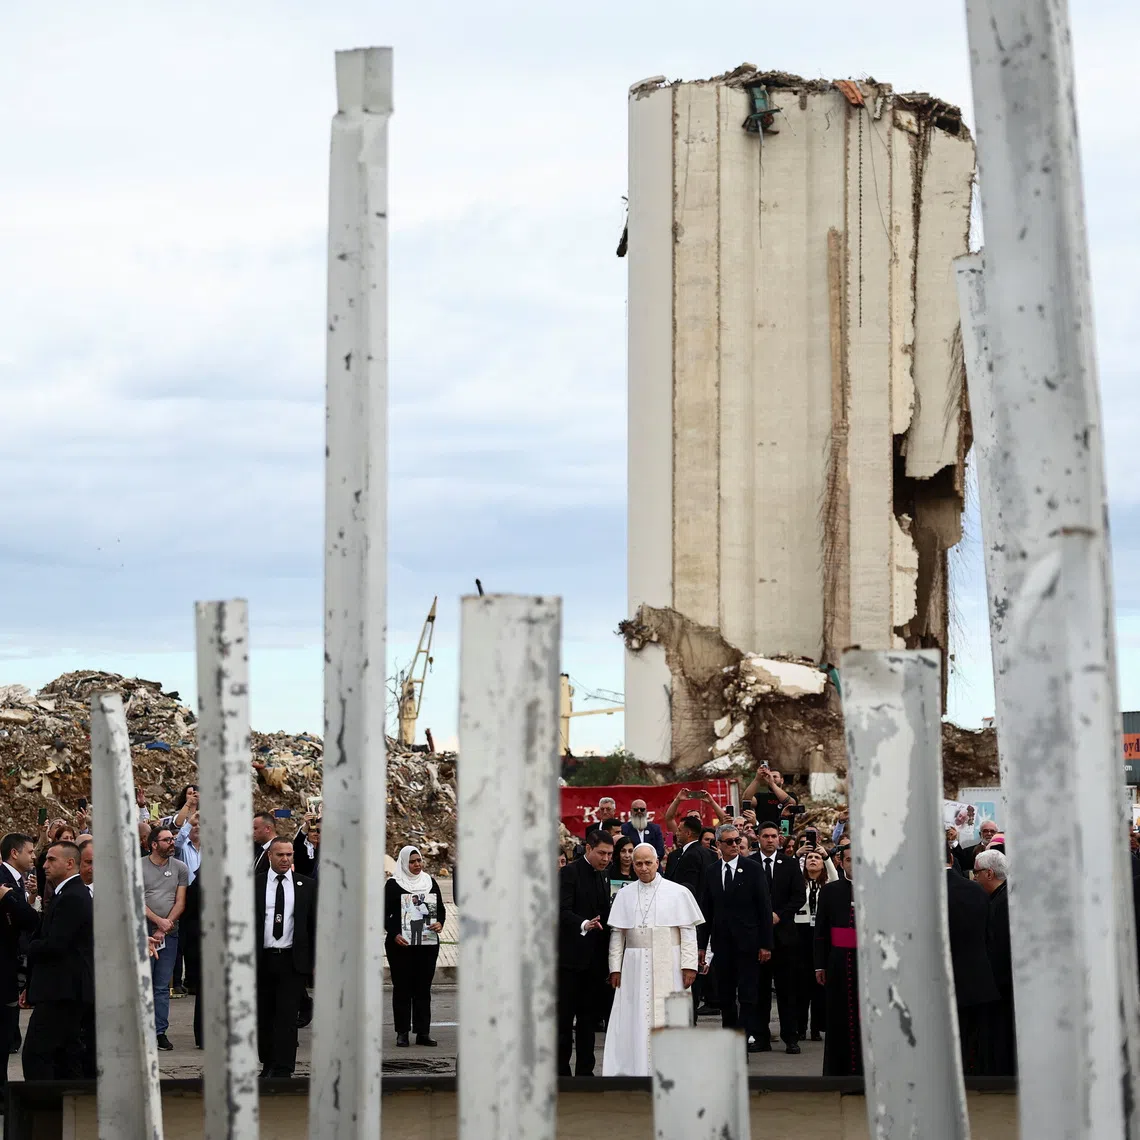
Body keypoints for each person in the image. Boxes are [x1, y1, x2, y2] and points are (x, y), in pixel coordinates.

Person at [602, 844, 704, 1075]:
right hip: (634, 966)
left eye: (648, 862)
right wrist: (614, 968)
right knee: (634, 1016)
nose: (644, 868)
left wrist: (689, 966)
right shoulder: (624, 895)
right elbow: (618, 934)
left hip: (670, 962)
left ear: (658, 862)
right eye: (638, 863)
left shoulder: (678, 892)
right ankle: (634, 1069)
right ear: (632, 864)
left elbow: (688, 931)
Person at [21, 841, 94, 1079]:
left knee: (37, 1054)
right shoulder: (66, 893)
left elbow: (56, 944)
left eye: (52, 859)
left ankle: (43, 1111)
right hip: (61, 989)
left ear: (70, 863)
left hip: (62, 991)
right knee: (66, 1055)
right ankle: (71, 1108)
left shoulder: (72, 896)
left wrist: (28, 946)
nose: (44, 865)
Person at [703, 824, 774, 1055]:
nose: (735, 845)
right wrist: (701, 946)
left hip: (749, 943)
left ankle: (743, 1040)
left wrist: (766, 944)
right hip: (722, 944)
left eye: (737, 841)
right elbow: (706, 911)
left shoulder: (753, 869)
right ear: (718, 845)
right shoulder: (711, 871)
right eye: (729, 842)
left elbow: (764, 908)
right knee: (725, 995)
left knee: (747, 994)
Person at [255, 836, 317, 1078]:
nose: (285, 859)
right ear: (270, 855)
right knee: (264, 1014)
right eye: (280, 854)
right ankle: (267, 1063)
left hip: (292, 960)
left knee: (287, 1017)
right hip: (262, 959)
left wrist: (314, 962)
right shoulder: (255, 885)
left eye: (289, 855)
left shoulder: (306, 886)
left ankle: (284, 1068)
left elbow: (313, 926)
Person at [557, 829, 614, 1076]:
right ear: (588, 849)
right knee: (564, 1020)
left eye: (610, 854)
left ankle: (585, 1071)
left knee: (588, 1021)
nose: (606, 858)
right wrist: (584, 924)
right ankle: (560, 1071)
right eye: (601, 853)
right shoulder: (569, 873)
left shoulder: (604, 876)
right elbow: (561, 910)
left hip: (594, 963)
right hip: (569, 962)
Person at [751, 821, 806, 1054]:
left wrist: (779, 915)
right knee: (760, 992)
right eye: (766, 836)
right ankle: (761, 1037)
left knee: (787, 991)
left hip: (785, 938)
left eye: (774, 836)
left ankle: (790, 1038)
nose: (770, 840)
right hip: (758, 938)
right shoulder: (749, 864)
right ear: (758, 838)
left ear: (779, 838)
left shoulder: (790, 864)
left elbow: (799, 897)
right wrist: (764, 918)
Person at [945, 842, 999, 1073]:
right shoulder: (976, 890)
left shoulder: (919, 890)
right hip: (977, 980)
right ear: (950, 858)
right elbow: (989, 935)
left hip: (939, 982)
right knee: (971, 1046)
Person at [384, 846, 444, 1048]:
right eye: (412, 862)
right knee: (402, 988)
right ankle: (402, 1032)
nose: (417, 865)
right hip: (401, 946)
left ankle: (423, 1032)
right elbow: (385, 914)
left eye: (419, 860)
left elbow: (440, 910)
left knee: (423, 989)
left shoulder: (429, 882)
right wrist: (394, 934)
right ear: (403, 863)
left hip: (426, 945)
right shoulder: (394, 885)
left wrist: (439, 924)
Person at [814, 845, 861, 1075]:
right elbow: (821, 931)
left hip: (868, 963)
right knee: (840, 1018)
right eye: (849, 859)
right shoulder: (830, 891)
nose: (854, 863)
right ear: (841, 863)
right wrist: (819, 964)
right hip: (839, 963)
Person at [141, 825, 189, 1051]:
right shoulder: (138, 867)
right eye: (166, 839)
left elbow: (180, 901)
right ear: (153, 844)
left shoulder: (180, 868)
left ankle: (159, 1031)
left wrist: (165, 925)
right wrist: (157, 922)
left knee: (161, 985)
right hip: (143, 930)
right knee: (143, 982)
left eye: (172, 839)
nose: (172, 842)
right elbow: (135, 898)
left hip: (169, 933)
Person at [0, 835, 39, 1097]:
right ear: (14, 853)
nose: (34, 857)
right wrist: (13, 900)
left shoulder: (14, 880)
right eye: (30, 851)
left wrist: (28, 896)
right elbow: (28, 921)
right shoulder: (3, 880)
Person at [973, 848, 1015, 1074]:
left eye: (977, 872)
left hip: (1004, 987)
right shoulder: (1004, 897)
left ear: (989, 874)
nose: (975, 877)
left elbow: (999, 950)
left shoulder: (1002, 904)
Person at [794, 848, 836, 1041]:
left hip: (820, 933)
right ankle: (800, 1026)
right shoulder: (798, 882)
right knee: (801, 984)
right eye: (809, 857)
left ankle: (817, 1027)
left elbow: (835, 877)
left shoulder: (828, 885)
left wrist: (826, 857)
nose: (813, 860)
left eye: (816, 858)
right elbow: (791, 874)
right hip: (800, 932)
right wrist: (796, 856)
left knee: (820, 983)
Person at [292, 812, 321, 879]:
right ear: (307, 833)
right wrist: (307, 824)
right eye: (312, 831)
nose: (316, 834)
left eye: (318, 831)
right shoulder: (301, 846)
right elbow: (298, 839)